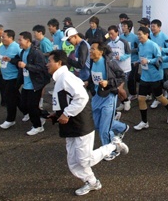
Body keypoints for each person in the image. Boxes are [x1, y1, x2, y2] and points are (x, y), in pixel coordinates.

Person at [46, 50, 128, 196]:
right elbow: (66, 99)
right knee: (73, 161)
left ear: (58, 63)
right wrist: (57, 114)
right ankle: (92, 182)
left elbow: (82, 97)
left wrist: (66, 113)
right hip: (69, 125)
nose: (47, 64)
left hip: (80, 124)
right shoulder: (61, 78)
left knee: (84, 160)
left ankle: (114, 145)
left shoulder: (65, 77)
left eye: (50, 61)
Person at [86, 41, 129, 161]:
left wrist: (108, 83)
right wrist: (87, 83)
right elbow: (93, 77)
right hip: (96, 98)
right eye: (90, 49)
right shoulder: (92, 62)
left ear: (101, 52)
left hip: (109, 98)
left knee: (104, 129)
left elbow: (122, 77)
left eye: (93, 49)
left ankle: (112, 150)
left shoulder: (109, 63)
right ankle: (122, 128)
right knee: (96, 124)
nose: (90, 51)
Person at [133, 26, 168, 130]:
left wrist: (149, 61)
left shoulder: (153, 45)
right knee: (141, 98)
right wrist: (138, 62)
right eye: (137, 34)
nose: (138, 37)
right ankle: (144, 122)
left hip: (155, 76)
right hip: (145, 76)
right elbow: (142, 58)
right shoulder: (140, 45)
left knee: (159, 97)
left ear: (147, 34)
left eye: (140, 34)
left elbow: (159, 59)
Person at [11, 31, 50, 136]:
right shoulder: (23, 52)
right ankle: (43, 115)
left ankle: (37, 126)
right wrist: (10, 60)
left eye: (20, 40)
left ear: (27, 40)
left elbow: (41, 68)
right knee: (25, 105)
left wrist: (26, 66)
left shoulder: (36, 53)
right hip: (26, 84)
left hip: (35, 84)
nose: (18, 42)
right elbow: (19, 61)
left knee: (32, 106)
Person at [106, 25, 131, 112]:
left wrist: (121, 57)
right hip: (114, 70)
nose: (111, 36)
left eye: (112, 34)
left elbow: (128, 53)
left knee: (119, 88)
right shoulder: (108, 44)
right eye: (109, 34)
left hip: (124, 69)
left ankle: (127, 101)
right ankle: (123, 102)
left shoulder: (123, 42)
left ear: (117, 32)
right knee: (116, 89)